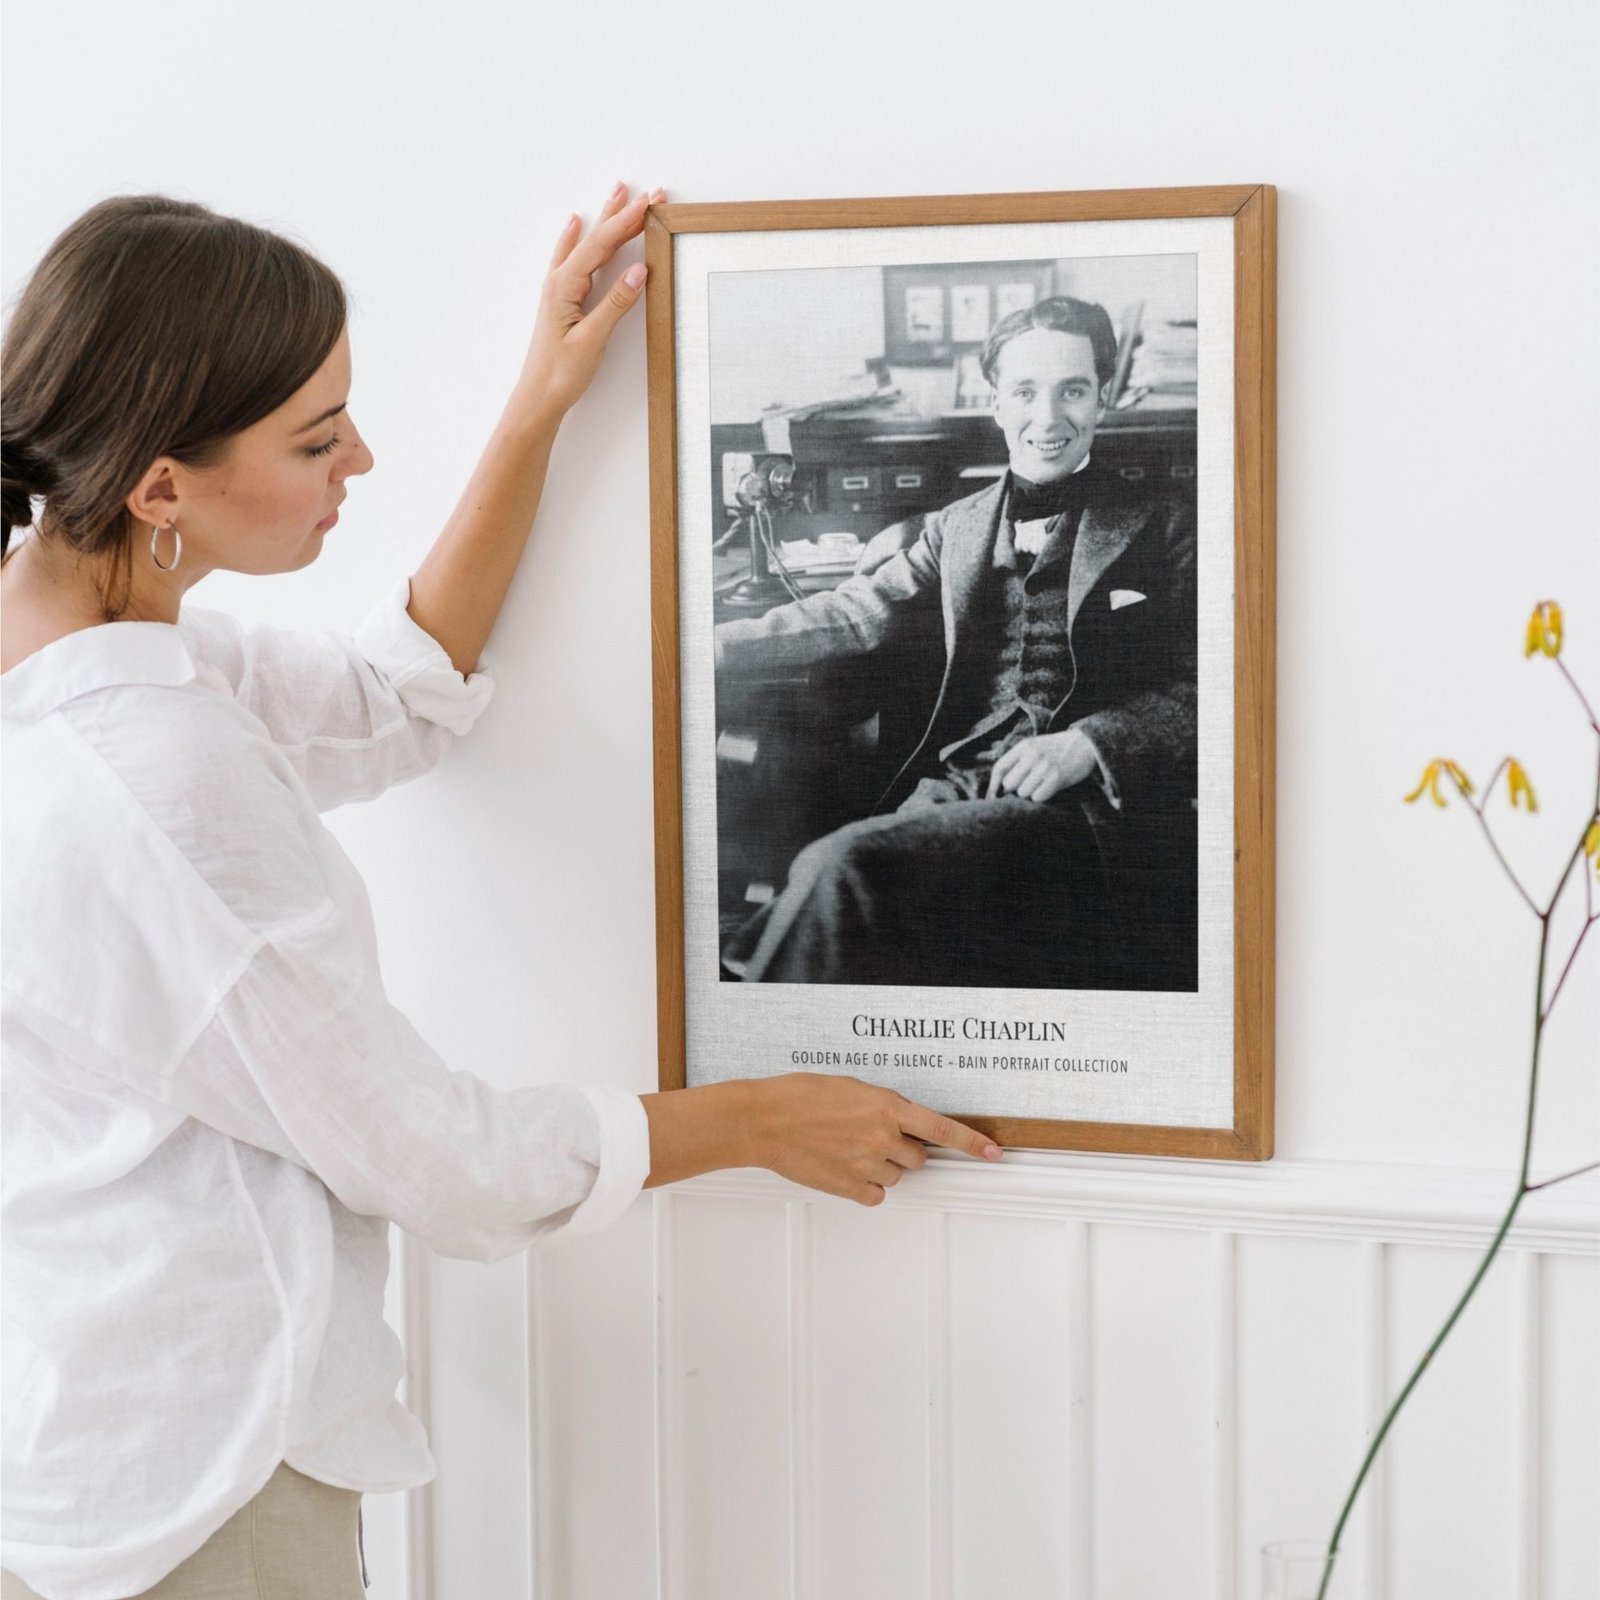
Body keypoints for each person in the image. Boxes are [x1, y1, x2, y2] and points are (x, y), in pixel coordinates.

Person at [0, 189, 1003, 1600]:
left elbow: (383, 697)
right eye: (313, 438)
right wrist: (757, 1118)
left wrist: (541, 404)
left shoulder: (72, 648)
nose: (362, 453)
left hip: (74, 1446)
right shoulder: (152, 784)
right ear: (160, 487)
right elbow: (436, 1160)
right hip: (200, 1498)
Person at [715, 295, 1197, 990]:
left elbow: (1219, 686)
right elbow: (856, 613)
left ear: (1105, 397)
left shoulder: (1169, 527)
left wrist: (1090, 742)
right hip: (956, 790)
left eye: (1074, 391)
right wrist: (702, 650)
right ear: (995, 400)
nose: (1048, 418)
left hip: (1086, 816)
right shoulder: (955, 527)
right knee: (826, 878)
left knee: (844, 868)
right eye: (1026, 392)